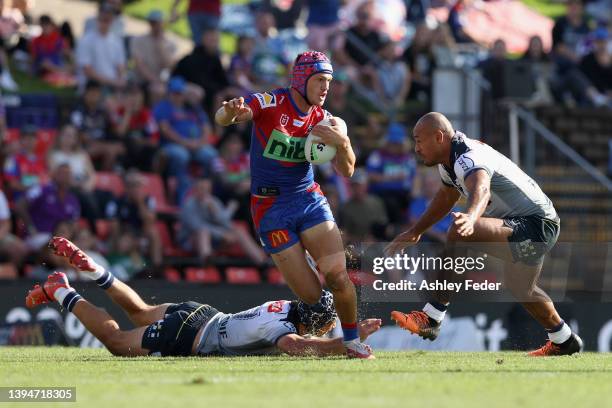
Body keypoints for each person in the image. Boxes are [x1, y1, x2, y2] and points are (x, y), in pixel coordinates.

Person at [215, 51, 373, 359]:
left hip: (308, 199)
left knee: (339, 276)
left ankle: (352, 343)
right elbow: (225, 116)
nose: (326, 87)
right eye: (319, 80)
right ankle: (311, 312)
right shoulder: (272, 102)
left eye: (329, 81)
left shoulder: (327, 120)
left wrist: (343, 142)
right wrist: (229, 112)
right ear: (301, 80)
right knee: (312, 296)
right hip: (270, 209)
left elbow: (348, 170)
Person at [386, 112, 583, 356]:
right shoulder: (449, 162)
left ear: (438, 137)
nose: (416, 148)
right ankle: (564, 340)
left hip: (536, 224)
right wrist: (417, 230)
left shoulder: (467, 156)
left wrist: (471, 217)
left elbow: (481, 188)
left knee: (459, 231)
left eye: (418, 140)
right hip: (536, 224)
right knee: (522, 289)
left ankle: (432, 317)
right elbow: (447, 197)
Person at [26, 237, 381, 357]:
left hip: (203, 313)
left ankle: (97, 272)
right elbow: (304, 347)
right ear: (312, 324)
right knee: (117, 342)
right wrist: (349, 344)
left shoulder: (286, 306)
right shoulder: (284, 330)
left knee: (139, 310)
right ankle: (63, 290)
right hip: (193, 335)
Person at [153, 76, 217, 203]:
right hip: (172, 145)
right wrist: (185, 143)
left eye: (180, 93)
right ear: (169, 93)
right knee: (181, 155)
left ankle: (205, 190)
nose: (178, 96)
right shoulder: (163, 107)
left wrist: (201, 142)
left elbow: (206, 127)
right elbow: (165, 130)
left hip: (196, 145)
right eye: (175, 93)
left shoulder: (192, 107)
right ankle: (179, 193)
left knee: (211, 155)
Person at [178, 177, 267, 264]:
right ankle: (206, 261)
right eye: (202, 189)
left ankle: (261, 260)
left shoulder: (214, 202)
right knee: (203, 232)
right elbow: (196, 226)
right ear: (195, 190)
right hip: (190, 240)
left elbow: (226, 223)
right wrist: (222, 234)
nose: (205, 192)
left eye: (207, 189)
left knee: (238, 231)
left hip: (214, 239)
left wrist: (215, 212)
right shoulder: (189, 205)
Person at [75, 2, 126, 91]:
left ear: (112, 20)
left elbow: (120, 65)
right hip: (93, 86)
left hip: (113, 86)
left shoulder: (116, 41)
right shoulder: (86, 40)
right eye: (103, 19)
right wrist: (114, 82)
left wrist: (120, 81)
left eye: (108, 19)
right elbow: (87, 70)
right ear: (97, 18)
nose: (105, 22)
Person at [130, 10, 176, 87]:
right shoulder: (138, 40)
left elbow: (169, 66)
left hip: (162, 81)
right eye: (152, 23)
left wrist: (160, 44)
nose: (155, 26)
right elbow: (139, 64)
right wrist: (154, 80)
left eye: (158, 23)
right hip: (140, 80)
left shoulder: (170, 43)